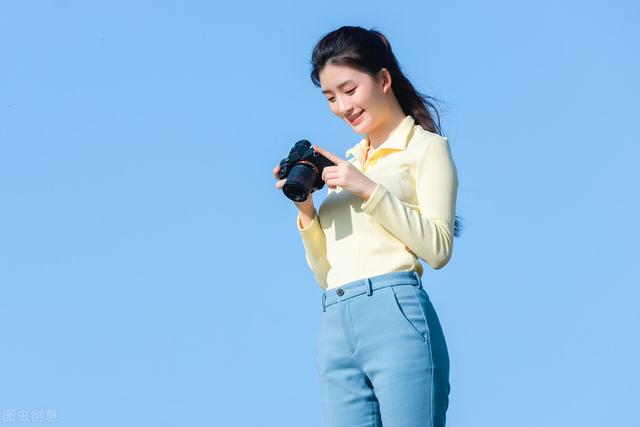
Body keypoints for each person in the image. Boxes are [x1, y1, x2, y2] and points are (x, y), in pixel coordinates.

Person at [273, 25, 461, 427]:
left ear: (383, 79)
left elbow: (439, 248)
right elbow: (326, 274)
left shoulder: (426, 149)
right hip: (335, 324)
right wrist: (307, 209)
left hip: (396, 316)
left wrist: (368, 189)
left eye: (349, 89)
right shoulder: (349, 164)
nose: (342, 106)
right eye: (329, 97)